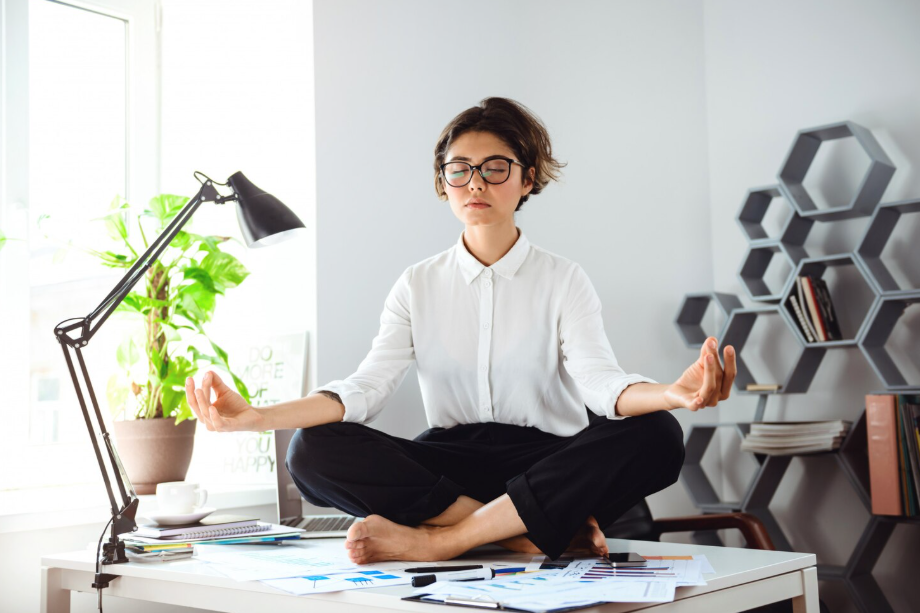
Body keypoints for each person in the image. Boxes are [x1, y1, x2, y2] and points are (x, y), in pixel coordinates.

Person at [185, 97, 736, 565]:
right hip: (449, 470)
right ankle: (518, 534)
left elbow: (599, 383)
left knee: (658, 434)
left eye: (496, 167)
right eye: (459, 169)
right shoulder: (416, 284)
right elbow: (366, 388)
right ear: (443, 183)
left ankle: (442, 542)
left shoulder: (564, 279)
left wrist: (673, 393)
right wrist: (257, 418)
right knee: (310, 450)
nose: (476, 182)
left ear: (526, 179)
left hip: (544, 464)